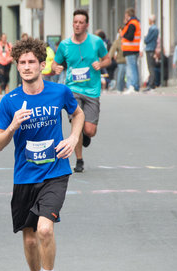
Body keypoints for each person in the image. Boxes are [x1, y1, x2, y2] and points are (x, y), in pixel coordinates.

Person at [0, 38, 84, 271]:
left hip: (55, 171)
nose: (27, 66)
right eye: (22, 62)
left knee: (45, 229)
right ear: (16, 66)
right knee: (30, 239)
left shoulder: (59, 92)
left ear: (42, 65)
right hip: (24, 176)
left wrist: (72, 138)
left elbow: (77, 113)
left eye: (32, 62)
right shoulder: (9, 101)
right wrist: (12, 126)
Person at [52, 9, 110, 173]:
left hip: (92, 90)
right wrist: (56, 68)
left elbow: (107, 59)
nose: (77, 25)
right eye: (75, 22)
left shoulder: (96, 42)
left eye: (80, 22)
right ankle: (79, 160)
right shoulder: (65, 45)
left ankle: (85, 135)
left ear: (87, 25)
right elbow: (54, 64)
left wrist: (101, 64)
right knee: (76, 124)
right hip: (72, 89)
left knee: (89, 130)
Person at [121, 8, 141, 94]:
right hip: (134, 49)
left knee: (131, 69)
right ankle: (135, 86)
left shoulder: (131, 24)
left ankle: (131, 86)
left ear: (128, 15)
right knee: (134, 68)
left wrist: (123, 34)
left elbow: (130, 37)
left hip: (130, 50)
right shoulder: (136, 23)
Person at [143, 15, 158, 91]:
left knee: (150, 67)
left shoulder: (152, 28)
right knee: (151, 67)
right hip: (152, 48)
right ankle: (152, 83)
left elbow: (146, 40)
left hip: (150, 49)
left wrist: (145, 38)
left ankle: (151, 84)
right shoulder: (155, 28)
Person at [109, 27, 126, 92]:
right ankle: (119, 88)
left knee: (128, 76)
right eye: (119, 32)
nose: (121, 33)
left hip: (128, 60)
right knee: (120, 75)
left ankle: (128, 87)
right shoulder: (117, 41)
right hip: (121, 60)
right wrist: (108, 59)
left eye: (122, 31)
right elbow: (112, 50)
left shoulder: (127, 39)